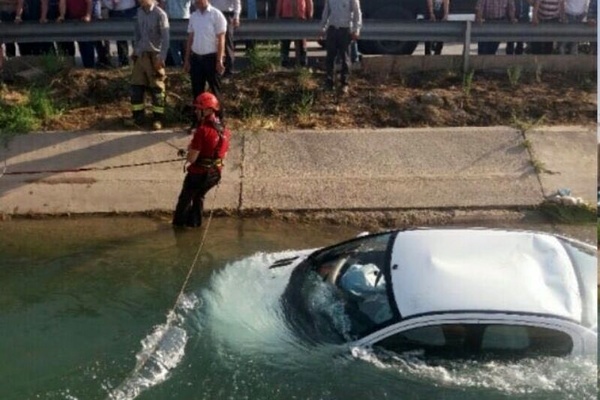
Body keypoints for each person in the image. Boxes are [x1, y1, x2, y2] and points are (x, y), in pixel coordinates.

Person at [173, 92, 231, 228]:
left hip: (198, 174)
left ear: (209, 110)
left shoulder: (202, 130)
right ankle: (195, 224)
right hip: (215, 174)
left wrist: (187, 155)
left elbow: (192, 159)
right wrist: (192, 149)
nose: (196, 111)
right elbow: (223, 154)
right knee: (199, 196)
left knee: (185, 199)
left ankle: (179, 226)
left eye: (199, 108)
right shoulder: (225, 130)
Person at [183, 0, 226, 128]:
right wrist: (187, 60)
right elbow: (190, 38)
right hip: (196, 59)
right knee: (197, 92)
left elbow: (221, 39)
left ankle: (219, 121)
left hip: (211, 59)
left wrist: (219, 60)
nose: (196, 2)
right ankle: (197, 122)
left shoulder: (216, 15)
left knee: (215, 91)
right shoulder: (194, 16)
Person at [127, 0, 170, 130]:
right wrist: (135, 50)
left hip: (155, 56)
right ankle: (138, 117)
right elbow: (137, 33)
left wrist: (161, 58)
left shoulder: (160, 14)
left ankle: (158, 119)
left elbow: (166, 38)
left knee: (157, 89)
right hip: (141, 55)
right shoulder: (139, 12)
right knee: (136, 87)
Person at [319, 0, 362, 94]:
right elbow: (326, 12)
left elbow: (357, 13)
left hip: (345, 30)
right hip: (332, 29)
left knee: (345, 58)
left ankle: (344, 84)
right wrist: (322, 28)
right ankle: (329, 82)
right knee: (330, 57)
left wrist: (356, 30)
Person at [56, 0, 96, 68]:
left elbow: (89, 2)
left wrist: (88, 15)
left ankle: (89, 68)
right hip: (71, 17)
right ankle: (69, 68)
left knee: (86, 44)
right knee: (68, 45)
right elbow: (63, 2)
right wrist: (62, 15)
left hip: (83, 19)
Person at [276, 0, 313, 68]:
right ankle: (284, 61)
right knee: (285, 41)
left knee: (301, 41)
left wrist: (310, 15)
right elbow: (280, 2)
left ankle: (302, 62)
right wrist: (277, 15)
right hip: (286, 17)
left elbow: (309, 2)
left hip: (300, 16)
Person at [102, 0, 138, 66]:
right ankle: (124, 62)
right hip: (115, 12)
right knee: (120, 38)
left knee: (135, 38)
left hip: (130, 11)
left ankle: (138, 61)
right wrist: (111, 4)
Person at [211, 0, 240, 76]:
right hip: (213, 14)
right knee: (213, 42)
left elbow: (236, 3)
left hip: (226, 14)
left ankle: (229, 69)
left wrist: (236, 17)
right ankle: (215, 68)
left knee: (227, 42)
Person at [159, 0, 192, 66]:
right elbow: (162, 4)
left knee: (187, 45)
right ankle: (179, 66)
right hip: (171, 21)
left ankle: (188, 65)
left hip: (185, 22)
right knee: (173, 46)